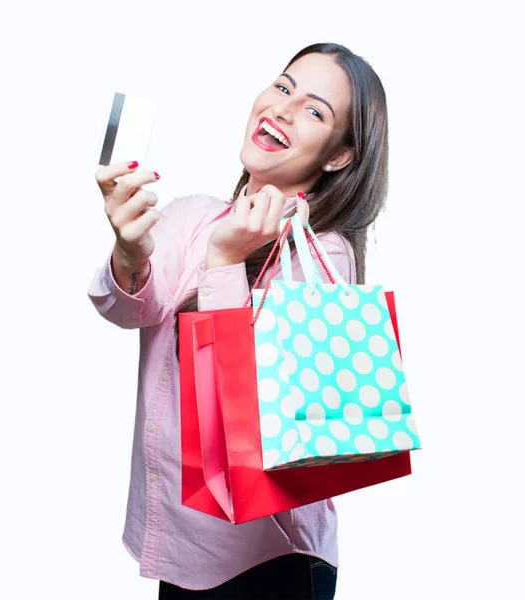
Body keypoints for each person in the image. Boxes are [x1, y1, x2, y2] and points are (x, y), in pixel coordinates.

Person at [88, 42, 389, 598]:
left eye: (315, 110)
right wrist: (128, 251)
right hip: (180, 545)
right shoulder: (195, 216)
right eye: (283, 86)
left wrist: (226, 263)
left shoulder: (323, 255)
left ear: (338, 156)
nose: (283, 108)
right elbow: (129, 308)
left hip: (270, 560)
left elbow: (244, 417)